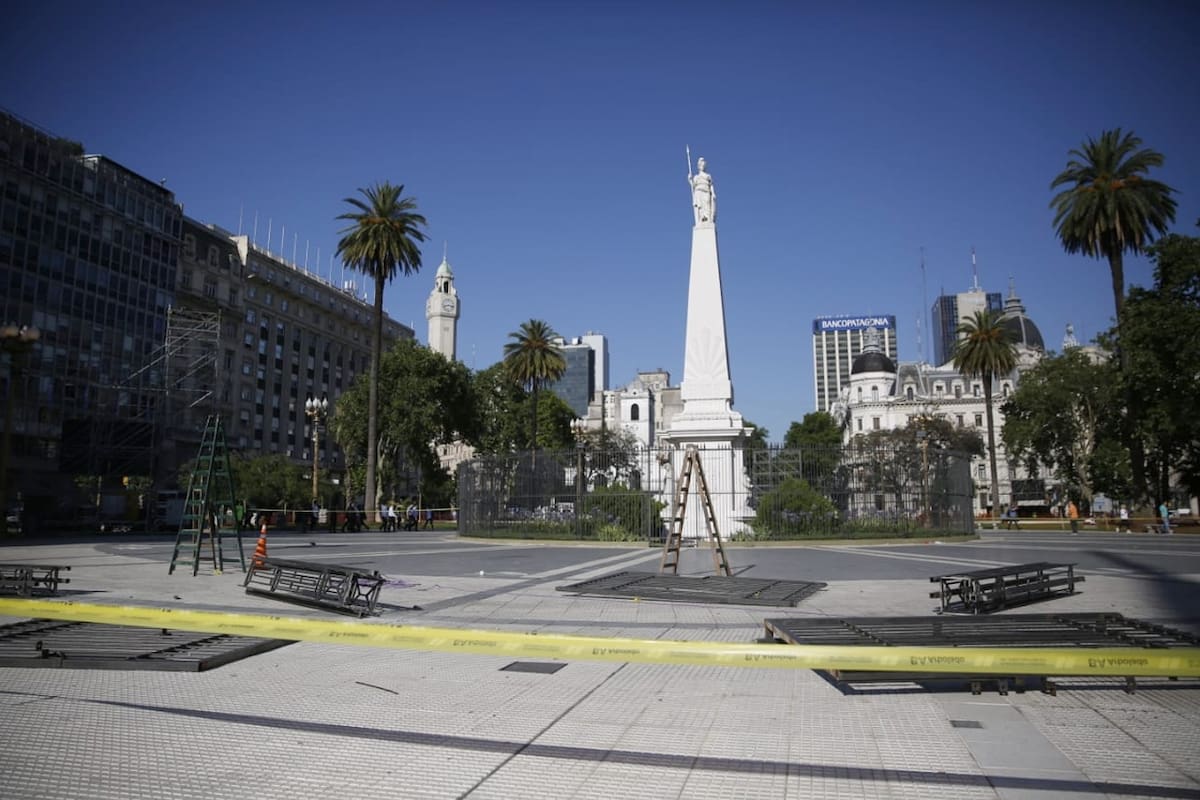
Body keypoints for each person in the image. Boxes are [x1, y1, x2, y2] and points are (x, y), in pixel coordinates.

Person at [689, 156, 716, 224]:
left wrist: (713, 193)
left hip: (706, 192)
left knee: (707, 205)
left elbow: (711, 185)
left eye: (703, 165)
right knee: (699, 208)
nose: (702, 166)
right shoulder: (696, 177)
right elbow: (693, 186)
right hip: (698, 192)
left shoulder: (708, 176)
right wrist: (689, 180)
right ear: (698, 166)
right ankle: (701, 220)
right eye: (700, 165)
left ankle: (708, 220)